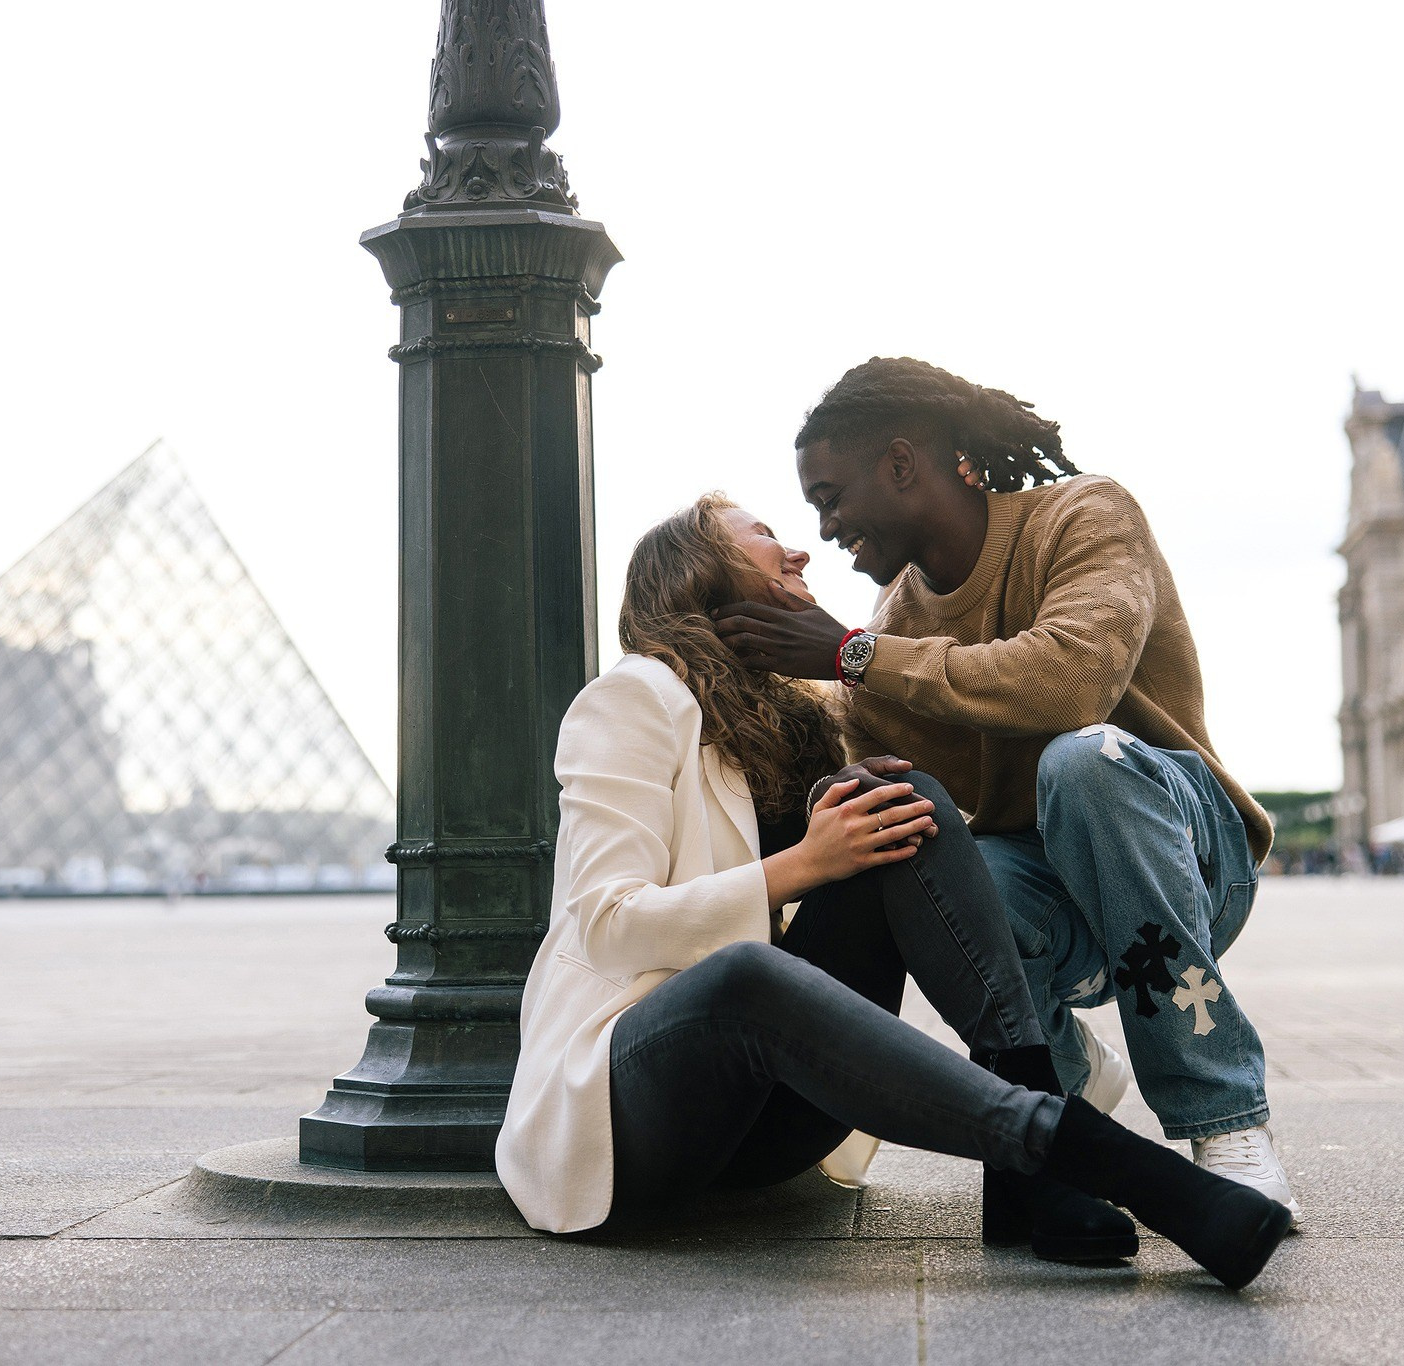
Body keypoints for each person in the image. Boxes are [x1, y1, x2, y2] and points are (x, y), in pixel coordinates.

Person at [494, 493, 1292, 1289]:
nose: (800, 549)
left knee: (907, 808)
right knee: (747, 975)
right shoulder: (634, 697)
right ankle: (1100, 1161)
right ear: (696, 570)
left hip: (774, 1123)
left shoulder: (800, 723)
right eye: (766, 534)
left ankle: (1031, 1157)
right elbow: (606, 922)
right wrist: (804, 864)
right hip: (635, 1109)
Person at [711, 356, 1302, 1224]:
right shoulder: (890, 627)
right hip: (1050, 890)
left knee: (1083, 761)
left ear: (903, 464)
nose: (828, 529)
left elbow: (1072, 683)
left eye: (832, 497)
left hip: (1182, 856)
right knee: (917, 855)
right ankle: (1067, 1072)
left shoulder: (1084, 515)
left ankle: (1225, 1120)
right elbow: (887, 779)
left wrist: (852, 657)